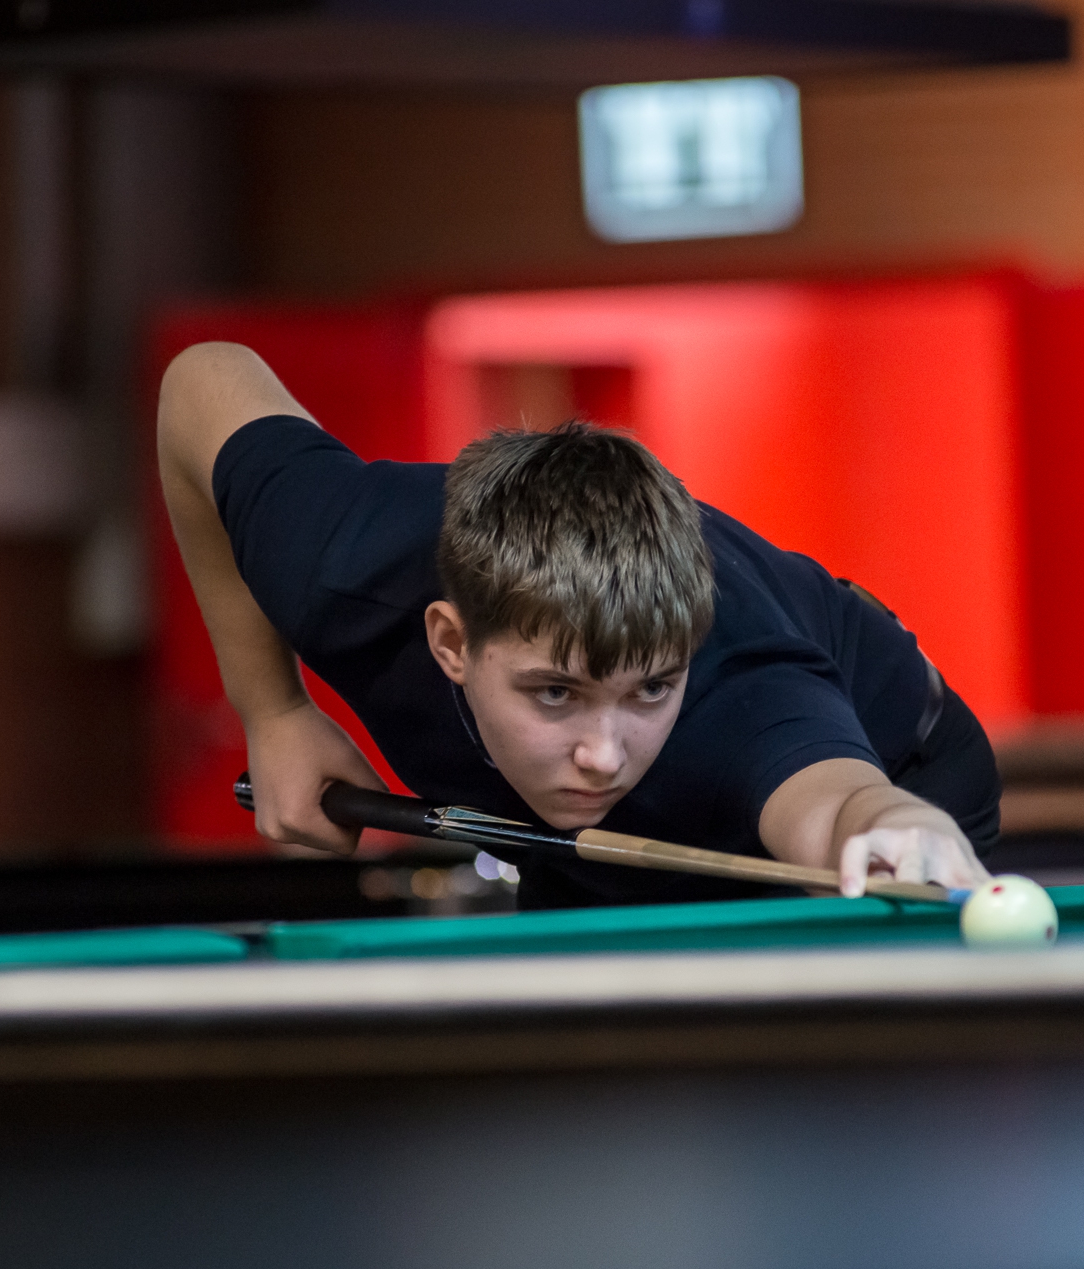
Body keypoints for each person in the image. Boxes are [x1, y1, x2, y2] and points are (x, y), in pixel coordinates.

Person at [156, 341, 1000, 908]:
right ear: (451, 642)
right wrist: (273, 710)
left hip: (900, 774)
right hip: (583, 832)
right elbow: (201, 381)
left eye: (649, 689)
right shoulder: (344, 562)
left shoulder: (743, 695)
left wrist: (897, 826)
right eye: (555, 693)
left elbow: (841, 802)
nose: (603, 753)